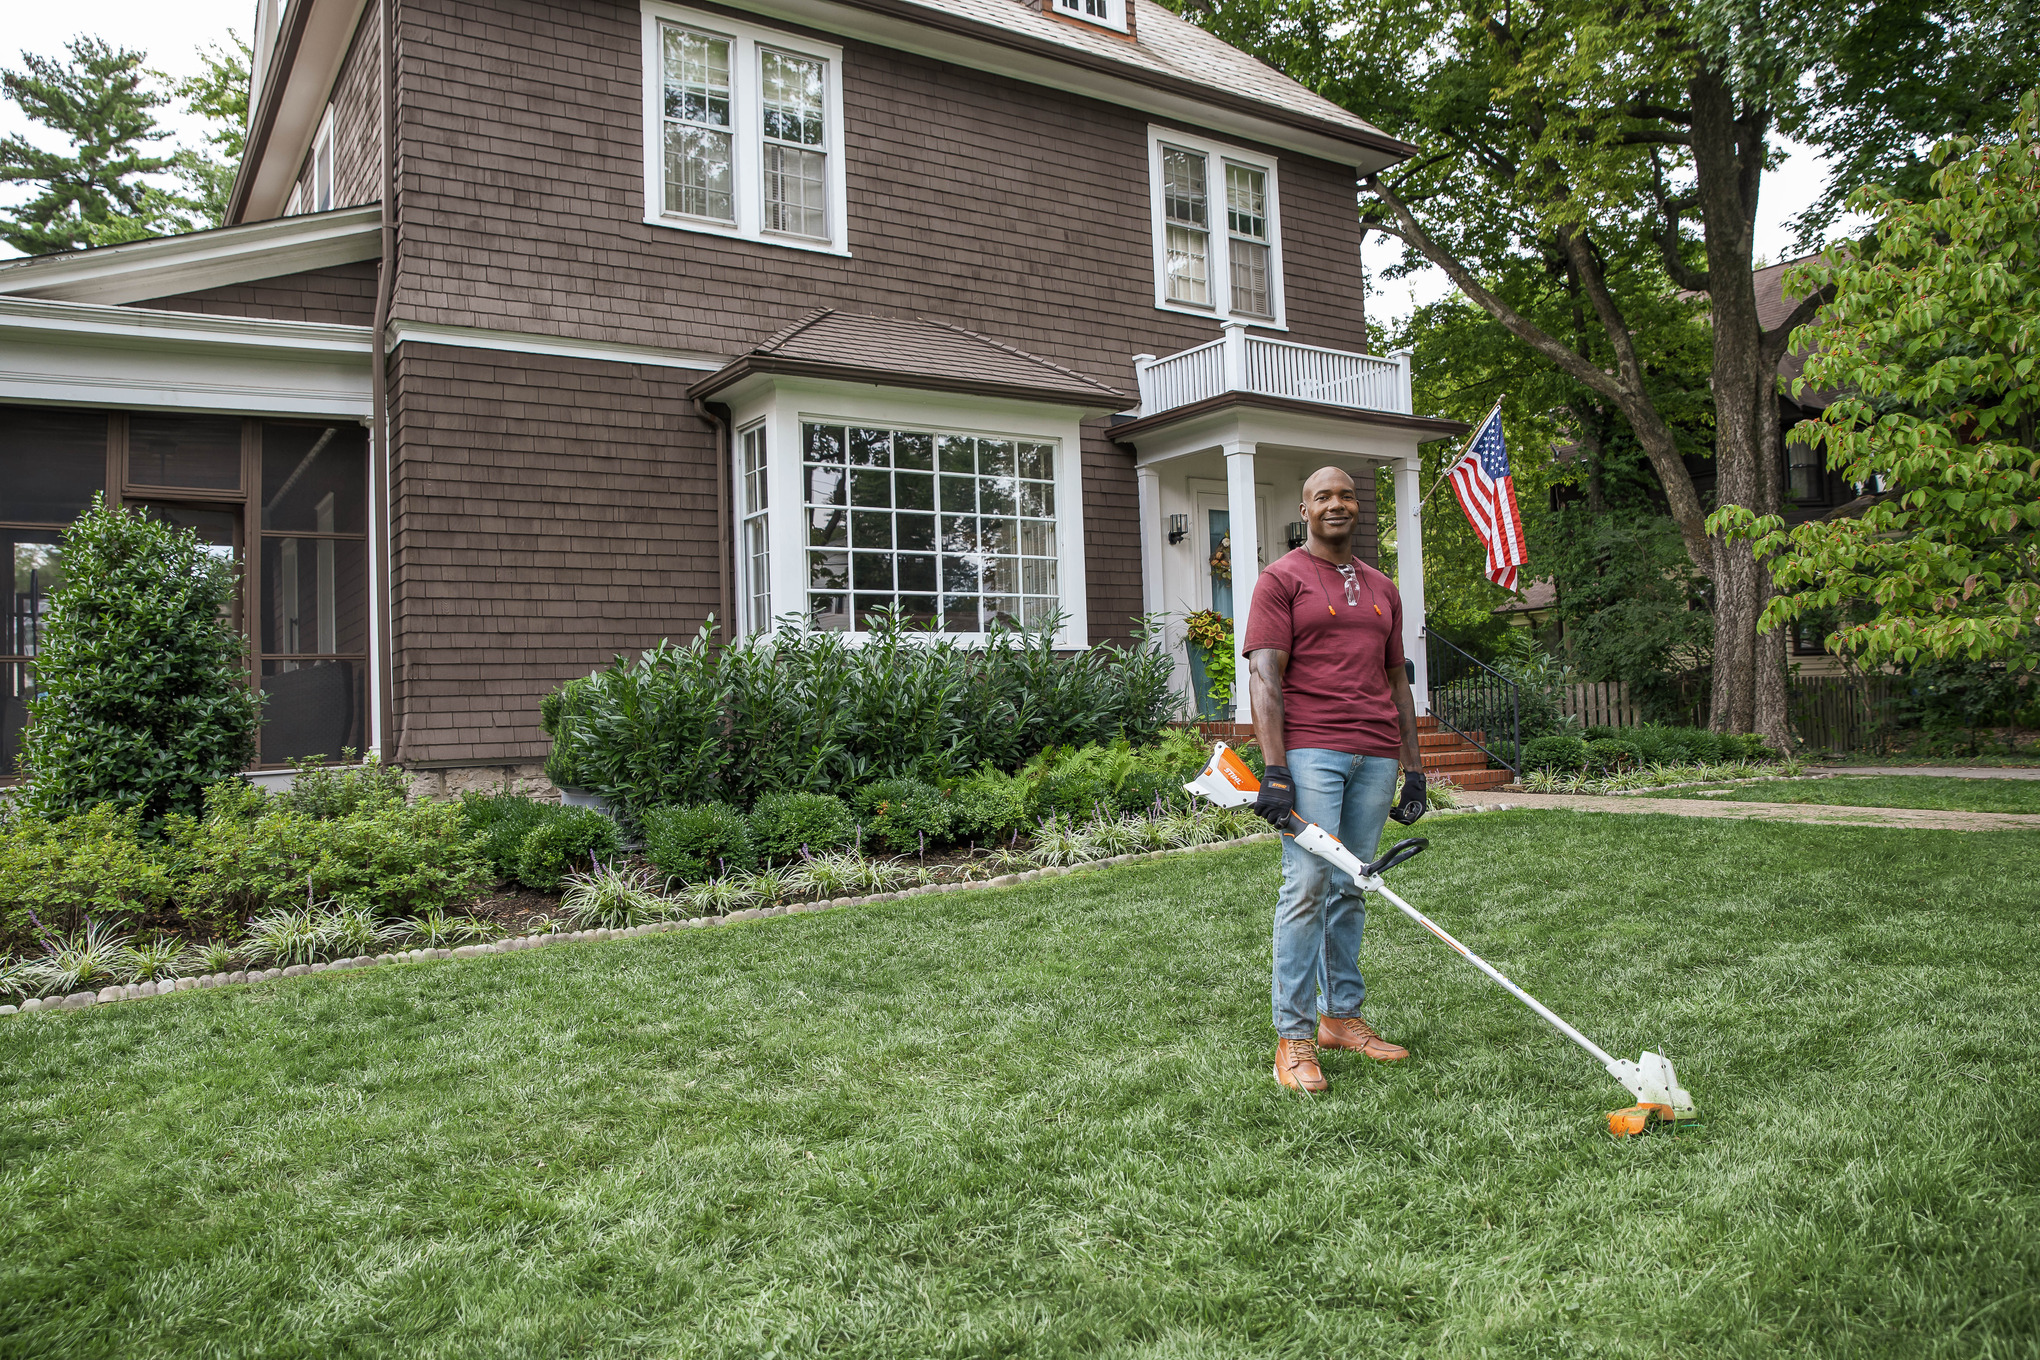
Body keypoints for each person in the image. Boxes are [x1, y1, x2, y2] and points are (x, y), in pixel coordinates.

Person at [1241, 465, 1427, 1093]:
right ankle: (1292, 1037)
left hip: (1375, 753)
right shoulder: (1281, 579)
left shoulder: (1382, 587)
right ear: (1305, 509)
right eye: (1323, 496)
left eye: (1347, 495)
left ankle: (1341, 1017)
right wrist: (1275, 769)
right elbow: (1264, 676)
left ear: (1357, 507)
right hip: (1311, 751)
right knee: (1307, 885)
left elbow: (1397, 679)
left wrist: (1414, 767)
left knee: (1353, 885)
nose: (1337, 504)